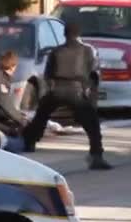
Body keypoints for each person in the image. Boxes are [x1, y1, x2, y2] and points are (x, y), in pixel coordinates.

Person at [23, 22, 112, 170]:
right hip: (76, 90)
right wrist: (90, 98)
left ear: (64, 34)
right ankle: (96, 155)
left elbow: (48, 75)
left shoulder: (56, 52)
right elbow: (93, 75)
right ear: (79, 34)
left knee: (41, 116)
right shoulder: (88, 51)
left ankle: (29, 142)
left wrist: (48, 92)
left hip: (57, 89)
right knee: (92, 124)